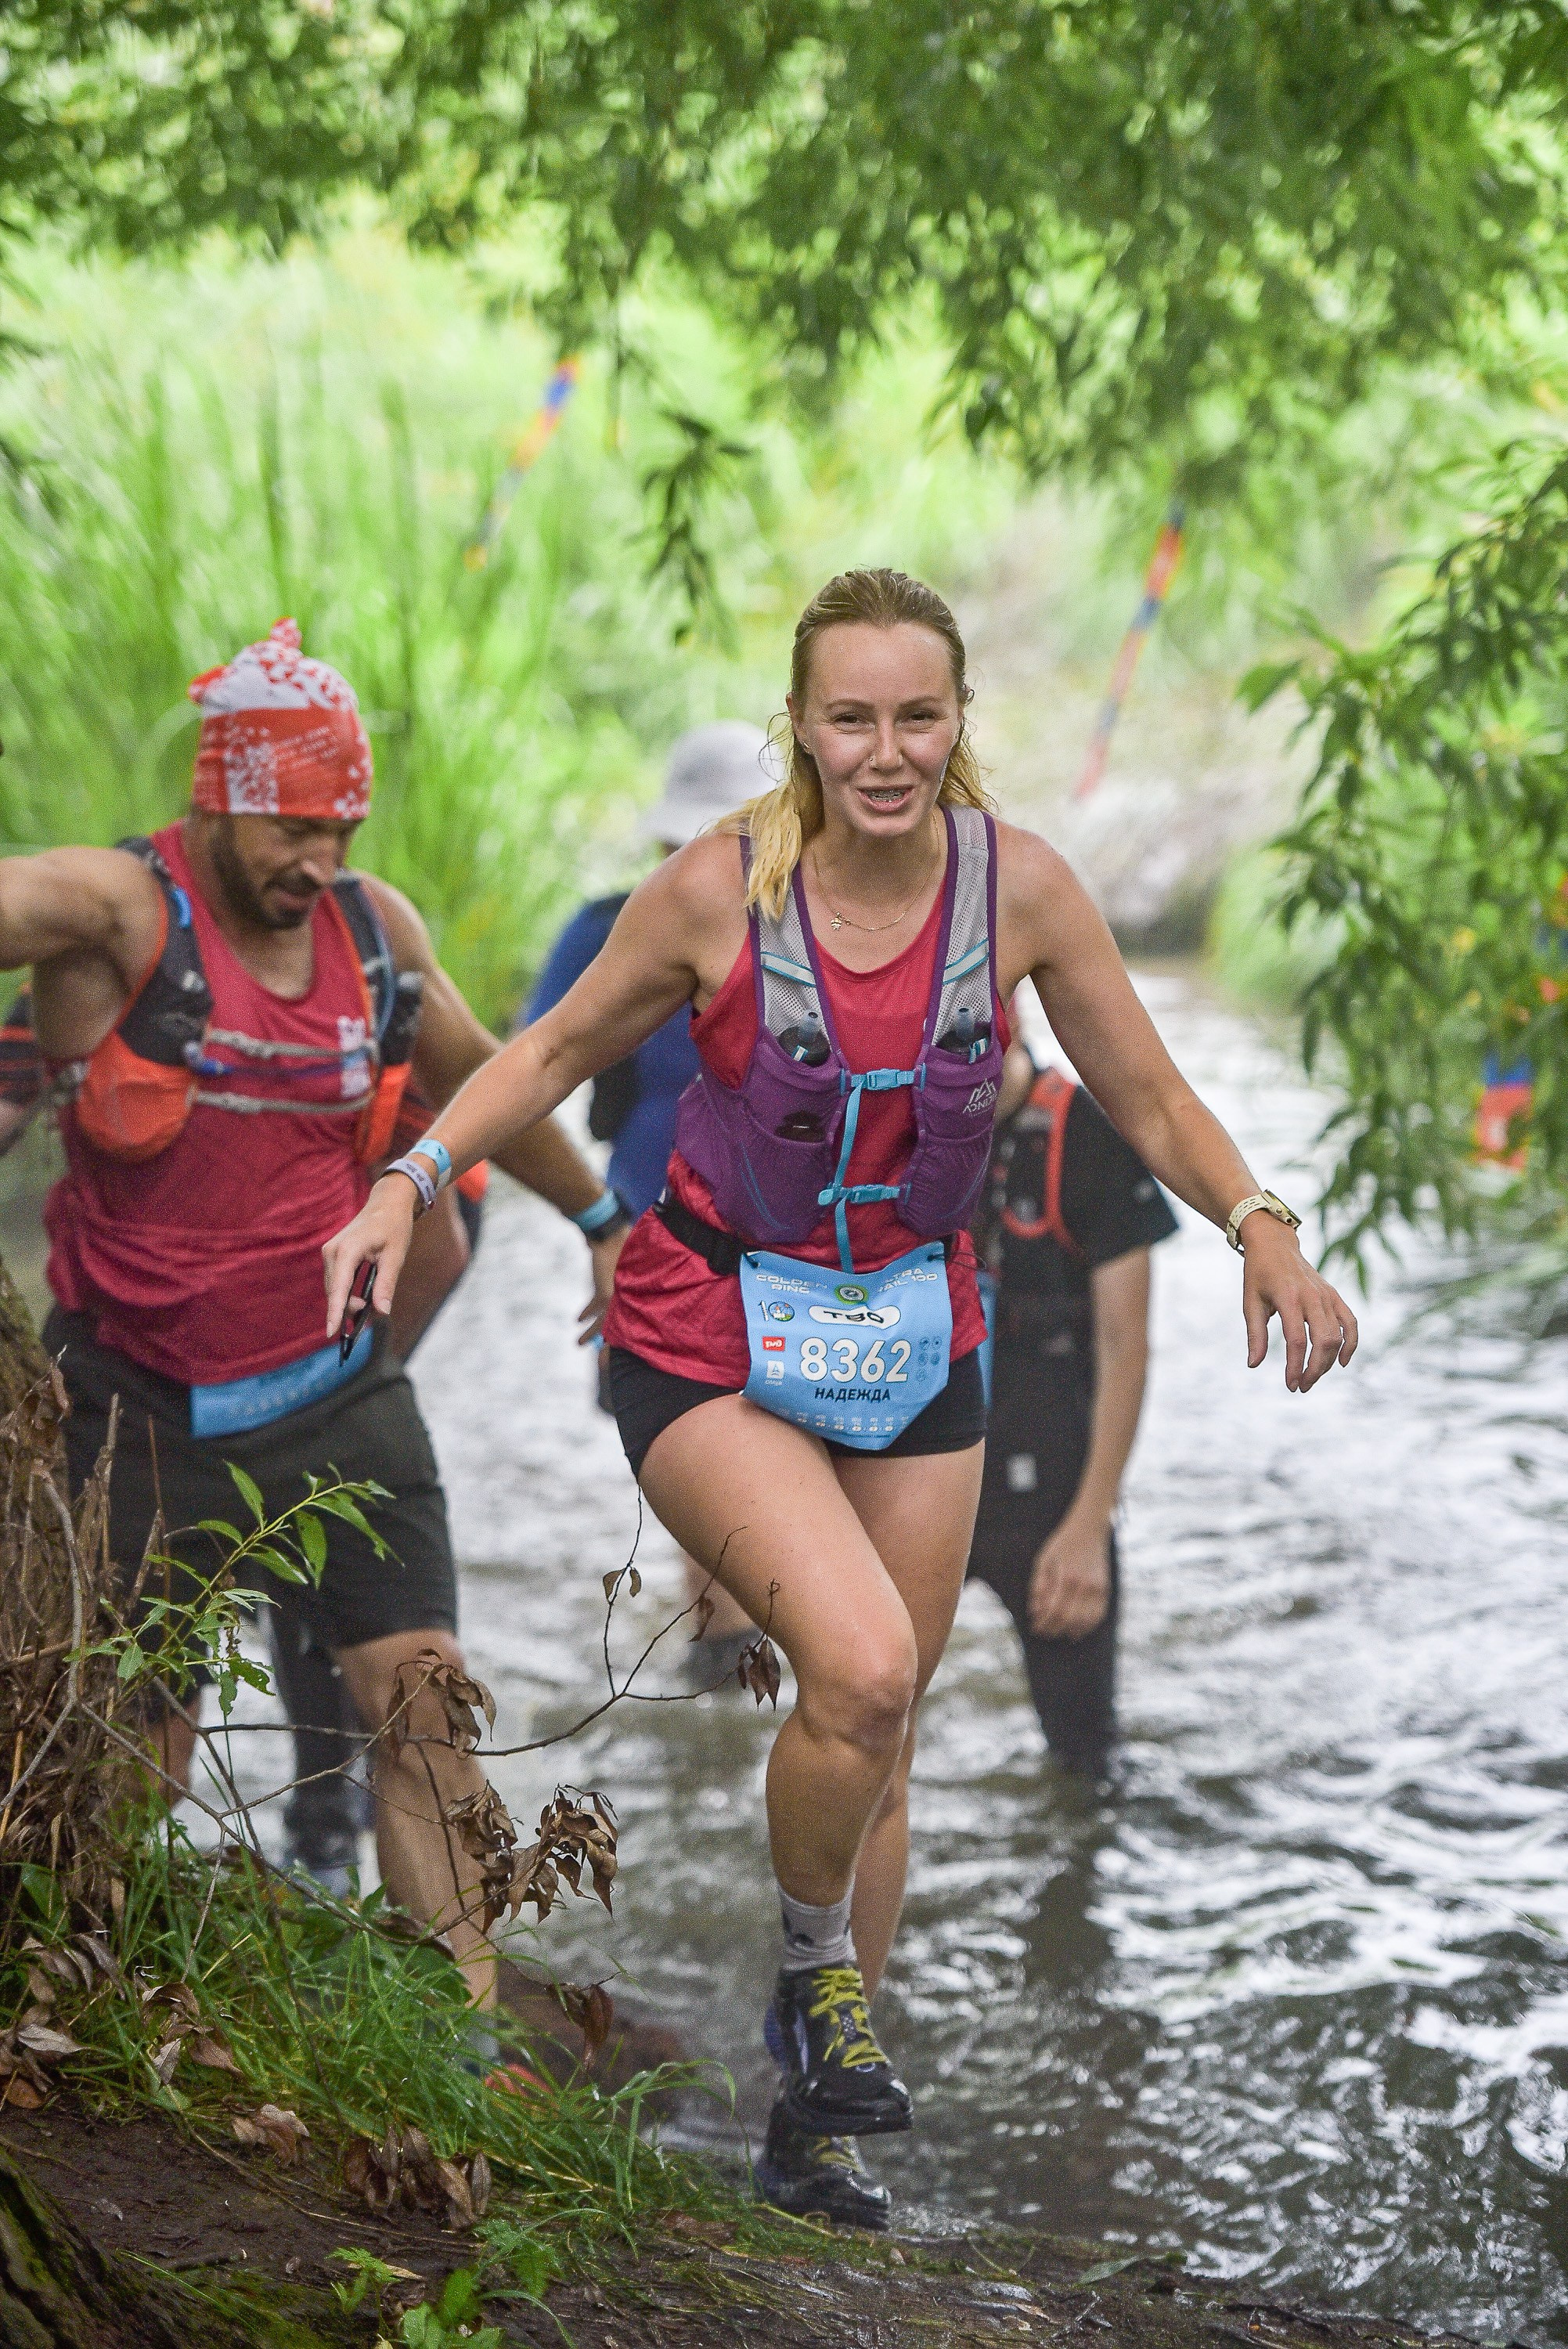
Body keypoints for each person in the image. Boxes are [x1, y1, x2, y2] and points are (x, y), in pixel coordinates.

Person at [322, 567, 1358, 2225]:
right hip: (706, 1331)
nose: (884, 750)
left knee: (875, 1740)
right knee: (861, 1663)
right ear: (798, 725)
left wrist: (1263, 1229)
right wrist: (406, 1177)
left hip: (914, 1341)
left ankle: (809, 2129)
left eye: (916, 716)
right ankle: (816, 1995)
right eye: (849, 717)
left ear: (957, 724)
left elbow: (1147, 1093)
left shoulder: (1017, 890)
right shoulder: (714, 890)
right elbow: (546, 1055)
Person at [0, 618, 631, 2007]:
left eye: (340, 828)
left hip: (340, 1400)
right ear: (220, 798)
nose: (319, 863)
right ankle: (74, 2003)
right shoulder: (121, 913)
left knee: (425, 1707)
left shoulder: (370, 931)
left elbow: (489, 1080)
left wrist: (597, 1220)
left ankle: (458, 2046)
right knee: (135, 1760)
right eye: (292, 830)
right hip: (137, 1408)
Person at [527, 722, 775, 1657]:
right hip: (649, 1226)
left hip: (783, 1238)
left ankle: (753, 1652)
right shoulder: (605, 932)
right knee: (699, 1465)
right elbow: (528, 1067)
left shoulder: (826, 932)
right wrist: (597, 1221)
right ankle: (726, 1650)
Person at [968, 1041, 1177, 1777]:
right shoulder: (891, 1119)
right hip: (920, 1474)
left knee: (1085, 1757)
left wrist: (1089, 1525)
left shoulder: (1085, 1132)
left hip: (1052, 1496)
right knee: (866, 1720)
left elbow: (1127, 1348)